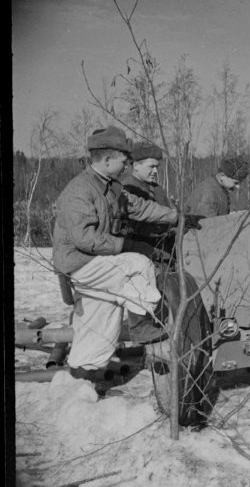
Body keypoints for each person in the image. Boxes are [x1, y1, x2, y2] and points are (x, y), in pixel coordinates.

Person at [52, 126, 180, 379]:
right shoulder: (80, 190)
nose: (126, 165)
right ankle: (142, 326)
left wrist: (177, 216)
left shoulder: (111, 187)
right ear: (108, 159)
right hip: (80, 263)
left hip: (97, 264)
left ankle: (82, 382)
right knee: (138, 263)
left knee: (102, 326)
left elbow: (141, 208)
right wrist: (127, 246)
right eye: (124, 160)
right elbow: (84, 238)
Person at [120, 141, 174, 259]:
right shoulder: (126, 190)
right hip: (140, 254)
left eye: (157, 167)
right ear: (135, 166)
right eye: (151, 166)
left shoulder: (158, 189)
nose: (155, 171)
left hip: (165, 251)